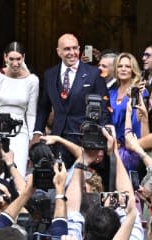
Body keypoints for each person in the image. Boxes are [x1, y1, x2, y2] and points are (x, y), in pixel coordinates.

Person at [32, 33, 108, 165]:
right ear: (58, 51)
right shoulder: (50, 74)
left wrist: (101, 144)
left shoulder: (94, 74)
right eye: (67, 49)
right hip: (58, 139)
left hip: (86, 140)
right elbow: (44, 107)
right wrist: (37, 132)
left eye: (75, 48)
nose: (72, 53)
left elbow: (104, 110)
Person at [0, 41, 39, 176]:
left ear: (23, 57)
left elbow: (31, 114)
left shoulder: (32, 80)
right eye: (11, 59)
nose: (15, 63)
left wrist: (31, 140)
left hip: (20, 131)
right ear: (5, 57)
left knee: (18, 171)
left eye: (18, 59)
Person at [108, 52, 141, 171]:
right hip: (109, 147)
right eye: (120, 66)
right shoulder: (110, 93)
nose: (123, 69)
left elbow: (137, 123)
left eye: (127, 66)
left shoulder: (139, 93)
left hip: (128, 150)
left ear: (133, 70)